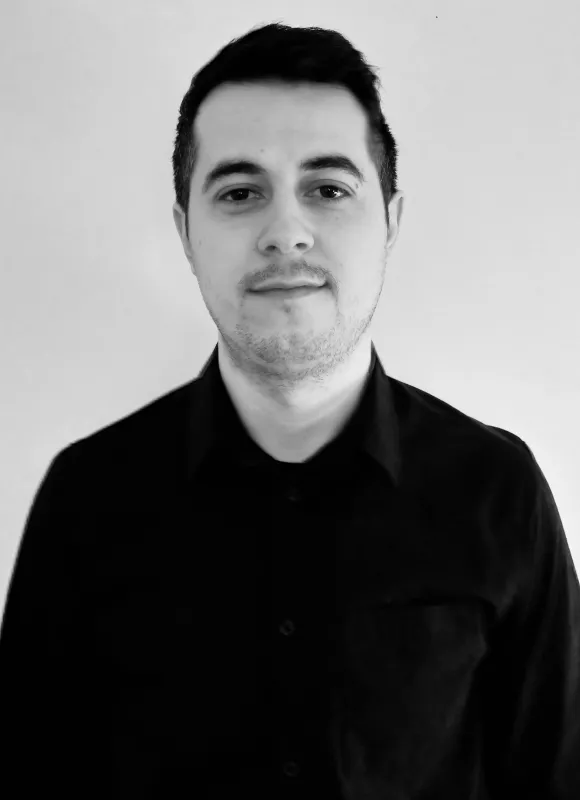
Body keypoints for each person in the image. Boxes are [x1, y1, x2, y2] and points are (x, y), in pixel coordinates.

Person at [1, 21, 579, 799]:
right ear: (185, 231)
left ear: (390, 221)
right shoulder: (85, 499)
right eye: (240, 194)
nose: (285, 234)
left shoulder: (497, 491)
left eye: (328, 189)